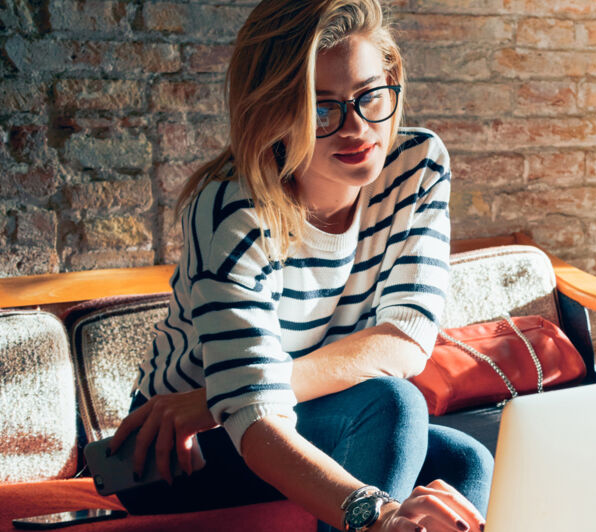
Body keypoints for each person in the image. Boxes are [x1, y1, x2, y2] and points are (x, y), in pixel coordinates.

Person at [106, 0, 492, 530]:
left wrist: (217, 398)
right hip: (176, 450)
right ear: (275, 111)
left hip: (271, 409)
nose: (356, 128)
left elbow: (406, 339)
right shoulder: (233, 214)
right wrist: (377, 517)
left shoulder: (415, 167)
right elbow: (256, 419)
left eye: (369, 95)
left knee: (464, 461)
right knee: (393, 406)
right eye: (322, 106)